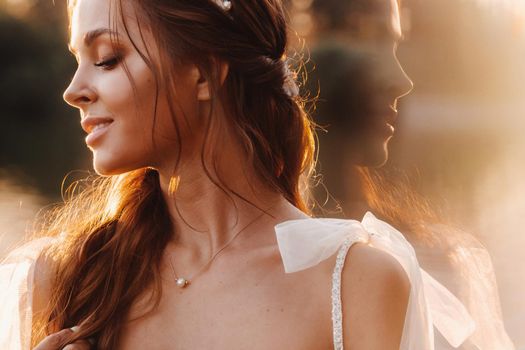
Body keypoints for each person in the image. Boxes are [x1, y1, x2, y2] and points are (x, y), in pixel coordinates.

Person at [0, 0, 472, 349]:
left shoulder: (354, 283)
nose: (74, 90)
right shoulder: (68, 280)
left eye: (106, 58)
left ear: (205, 74)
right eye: (76, 61)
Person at [308, 0, 516, 349]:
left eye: (395, 45)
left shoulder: (423, 260)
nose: (403, 81)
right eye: (370, 35)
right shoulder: (226, 255)